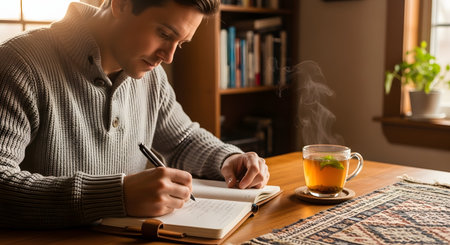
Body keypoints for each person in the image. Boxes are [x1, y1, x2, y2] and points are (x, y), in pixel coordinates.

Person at [0, 0, 269, 228]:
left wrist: (229, 158)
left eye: (181, 43)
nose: (169, 56)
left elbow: (182, 140)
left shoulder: (152, 78)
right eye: (164, 34)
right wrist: (116, 196)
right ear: (121, 4)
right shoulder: (19, 64)